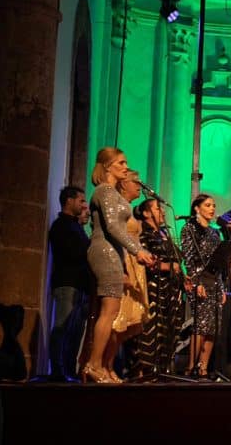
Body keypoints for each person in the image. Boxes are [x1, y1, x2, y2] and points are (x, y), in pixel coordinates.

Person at [81, 148, 154, 383]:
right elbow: (113, 227)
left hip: (114, 252)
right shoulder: (105, 191)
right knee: (108, 312)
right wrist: (137, 250)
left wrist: (135, 253)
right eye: (121, 163)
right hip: (105, 251)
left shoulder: (111, 193)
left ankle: (99, 365)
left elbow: (119, 229)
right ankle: (93, 365)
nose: (125, 166)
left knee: (110, 312)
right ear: (107, 166)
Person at [107, 170, 153, 381]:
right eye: (136, 182)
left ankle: (109, 365)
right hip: (125, 263)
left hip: (137, 267)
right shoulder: (117, 205)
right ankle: (105, 365)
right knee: (117, 319)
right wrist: (123, 269)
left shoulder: (126, 208)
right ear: (124, 184)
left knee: (129, 323)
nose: (140, 187)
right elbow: (117, 238)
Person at [134, 198, 185, 378]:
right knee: (150, 330)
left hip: (171, 289)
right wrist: (167, 266)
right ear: (146, 213)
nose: (162, 212)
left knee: (169, 328)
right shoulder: (144, 234)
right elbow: (143, 258)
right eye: (157, 209)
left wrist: (181, 275)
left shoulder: (164, 234)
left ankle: (163, 369)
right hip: (154, 288)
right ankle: (144, 371)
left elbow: (178, 259)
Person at [47, 185, 91, 381]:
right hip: (67, 283)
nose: (84, 205)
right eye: (81, 200)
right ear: (69, 201)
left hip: (79, 285)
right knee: (62, 327)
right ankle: (57, 370)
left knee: (74, 331)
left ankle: (69, 370)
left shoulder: (75, 226)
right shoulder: (61, 226)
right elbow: (72, 253)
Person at [180, 194, 226, 378]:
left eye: (213, 205)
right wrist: (196, 282)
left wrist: (221, 287)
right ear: (197, 208)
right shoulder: (189, 228)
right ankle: (190, 367)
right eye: (207, 205)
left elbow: (219, 262)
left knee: (213, 327)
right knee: (201, 325)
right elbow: (189, 258)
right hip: (199, 280)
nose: (212, 208)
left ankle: (203, 367)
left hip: (214, 281)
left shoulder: (215, 232)